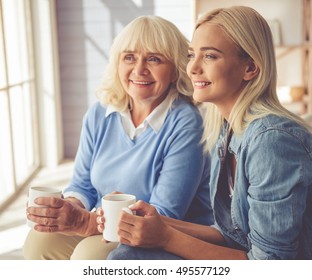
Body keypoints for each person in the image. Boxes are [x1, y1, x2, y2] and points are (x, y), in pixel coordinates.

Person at [102, 6, 312, 260]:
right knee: (127, 255)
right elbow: (233, 233)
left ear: (250, 68)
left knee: (124, 259)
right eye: (192, 55)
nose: (192, 68)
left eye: (210, 56)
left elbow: (272, 265)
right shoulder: (226, 129)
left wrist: (166, 236)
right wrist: (152, 222)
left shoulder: (272, 141)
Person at [23, 15, 214, 260]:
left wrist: (85, 223)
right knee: (39, 240)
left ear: (176, 69)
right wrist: (70, 207)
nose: (139, 69)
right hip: (105, 224)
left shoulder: (187, 122)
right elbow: (83, 185)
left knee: (88, 256)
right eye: (129, 57)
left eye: (153, 59)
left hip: (163, 236)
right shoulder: (99, 113)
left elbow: (165, 214)